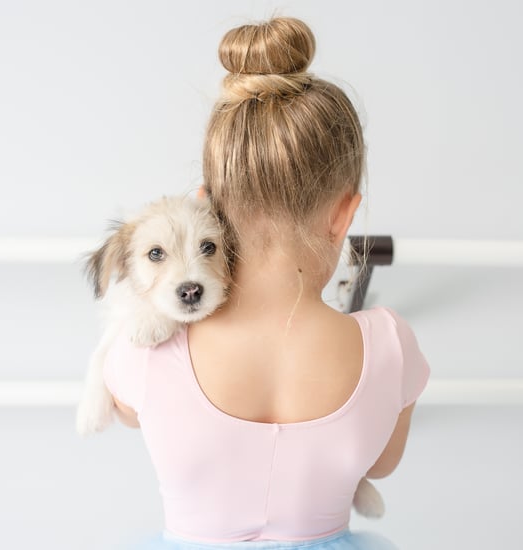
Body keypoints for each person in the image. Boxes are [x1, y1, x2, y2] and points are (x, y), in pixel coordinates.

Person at [104, 17, 430, 550]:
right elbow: (384, 463)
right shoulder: (390, 346)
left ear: (208, 199)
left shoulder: (149, 346)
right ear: (344, 214)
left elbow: (125, 411)